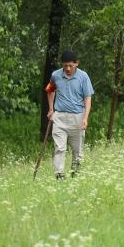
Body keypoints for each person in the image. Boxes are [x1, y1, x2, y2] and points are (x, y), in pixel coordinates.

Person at [45, 50, 94, 179]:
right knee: (59, 148)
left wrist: (85, 118)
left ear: (76, 64)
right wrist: (51, 109)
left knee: (77, 150)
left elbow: (87, 98)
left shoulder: (83, 76)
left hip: (77, 117)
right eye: (65, 65)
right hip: (60, 117)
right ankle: (59, 175)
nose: (67, 68)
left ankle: (75, 174)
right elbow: (50, 90)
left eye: (70, 65)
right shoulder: (55, 75)